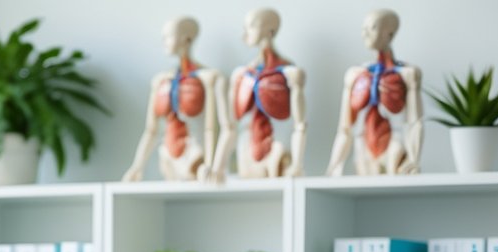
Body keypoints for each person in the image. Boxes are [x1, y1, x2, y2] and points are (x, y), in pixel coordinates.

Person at [122, 17, 229, 183]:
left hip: (195, 156)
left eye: (169, 36)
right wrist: (137, 167)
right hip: (167, 158)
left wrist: (211, 164)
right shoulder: (160, 81)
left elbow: (211, 128)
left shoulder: (208, 78)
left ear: (187, 39)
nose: (164, 41)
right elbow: (151, 130)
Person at [325, 9, 423, 176]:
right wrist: (334, 165)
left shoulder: (407, 73)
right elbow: (345, 128)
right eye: (363, 29)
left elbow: (414, 122)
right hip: (363, 147)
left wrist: (414, 159)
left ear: (390, 34)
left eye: (372, 28)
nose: (365, 34)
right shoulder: (354, 74)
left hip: (394, 145)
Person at [219, 7, 307, 180]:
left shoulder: (289, 73)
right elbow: (230, 126)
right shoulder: (241, 74)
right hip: (246, 152)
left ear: (270, 30)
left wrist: (297, 164)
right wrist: (218, 166)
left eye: (251, 26)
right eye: (245, 27)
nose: (245, 33)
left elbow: (300, 124)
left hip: (276, 151)